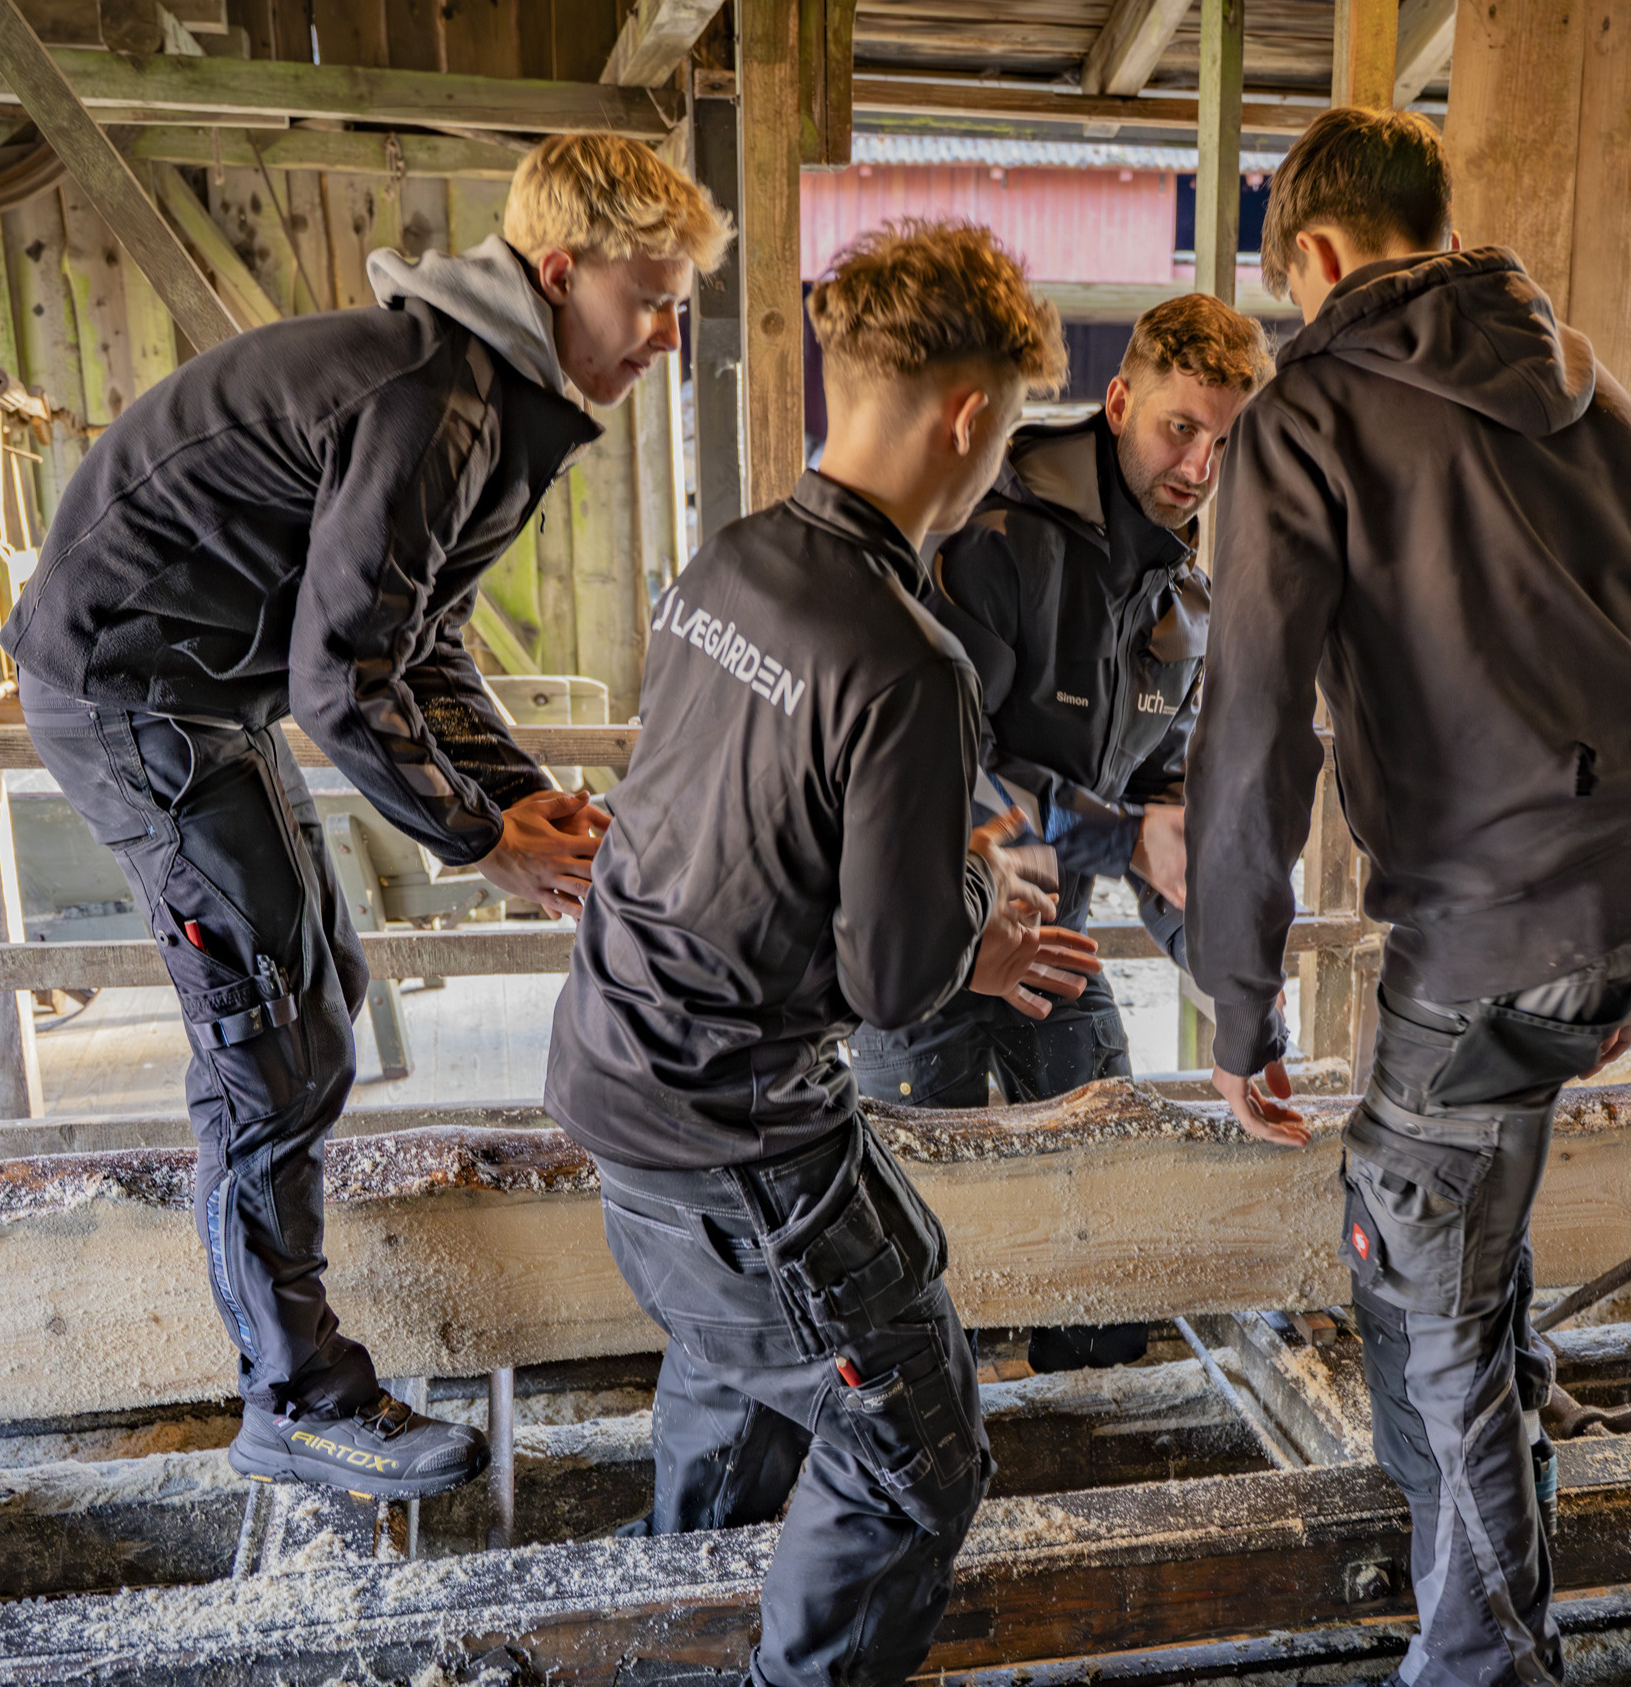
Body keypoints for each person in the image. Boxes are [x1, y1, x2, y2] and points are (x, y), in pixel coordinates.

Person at [1, 136, 730, 1500]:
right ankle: (291, 1396)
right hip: (133, 686)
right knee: (269, 1035)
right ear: (560, 275)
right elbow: (342, 680)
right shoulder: (433, 402)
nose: (668, 331)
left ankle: (297, 1361)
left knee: (317, 988)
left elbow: (417, 641)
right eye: (650, 294)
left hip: (206, 685)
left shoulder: (488, 398)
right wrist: (481, 842)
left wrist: (510, 791)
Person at [1185, 108, 1631, 1686]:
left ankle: (1482, 1657)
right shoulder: (1601, 389)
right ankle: (1474, 1567)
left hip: (1499, 930)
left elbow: (1254, 729)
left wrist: (1235, 1000)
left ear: (1324, 256)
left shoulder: (1311, 415)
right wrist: (1621, 949)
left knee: (1416, 1282)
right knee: (1462, 1237)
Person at [545, 221, 1100, 1687]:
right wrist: (973, 931)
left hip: (615, 1073)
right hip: (740, 1131)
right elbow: (891, 979)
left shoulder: (733, 563)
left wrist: (929, 872)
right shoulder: (910, 658)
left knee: (739, 1361)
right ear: (971, 417)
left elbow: (746, 820)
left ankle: (669, 1636)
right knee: (919, 1451)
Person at [850, 292, 1275, 1372]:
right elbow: (949, 770)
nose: (1199, 465)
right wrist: (1127, 836)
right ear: (1122, 400)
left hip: (1056, 931)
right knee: (902, 1264)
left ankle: (1079, 1462)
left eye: (1224, 441)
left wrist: (1236, 1012)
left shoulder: (1186, 600)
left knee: (1109, 1243)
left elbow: (1173, 825)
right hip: (927, 938)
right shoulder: (992, 530)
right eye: (1182, 427)